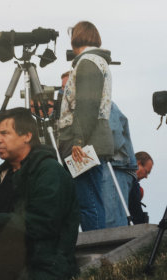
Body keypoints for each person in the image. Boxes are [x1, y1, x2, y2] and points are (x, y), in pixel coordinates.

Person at [0, 107, 79, 280]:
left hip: (43, 266)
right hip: (5, 262)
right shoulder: (1, 175)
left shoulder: (49, 171)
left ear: (27, 136)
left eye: (5, 133)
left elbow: (43, 222)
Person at [58, 21, 114, 231]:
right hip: (92, 139)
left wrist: (77, 141)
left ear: (75, 39)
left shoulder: (88, 62)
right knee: (90, 199)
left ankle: (96, 253)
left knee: (88, 201)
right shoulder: (97, 61)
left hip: (84, 143)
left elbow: (87, 105)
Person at [103, 103, 138, 228]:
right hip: (108, 165)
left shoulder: (105, 103)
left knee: (112, 219)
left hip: (115, 166)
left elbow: (114, 138)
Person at [129, 151, 153, 224]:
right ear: (138, 163)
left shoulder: (138, 190)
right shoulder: (133, 187)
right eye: (146, 172)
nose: (146, 176)